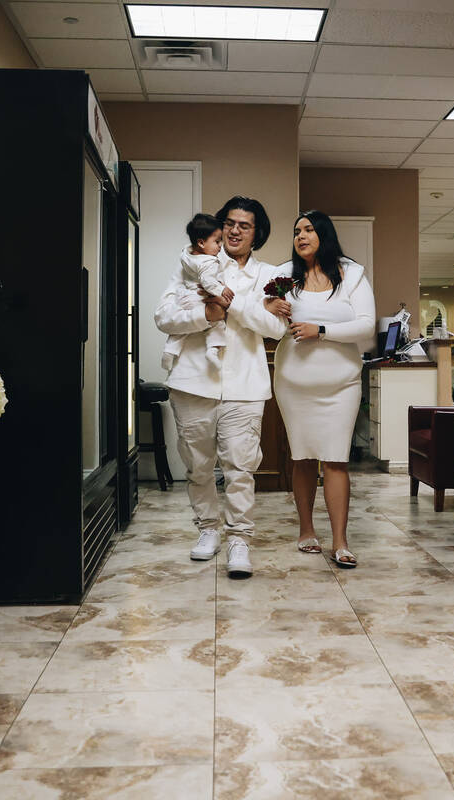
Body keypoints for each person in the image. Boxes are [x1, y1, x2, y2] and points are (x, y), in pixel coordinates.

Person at [154, 197, 288, 577]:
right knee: (197, 467)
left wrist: (231, 305)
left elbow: (276, 327)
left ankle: (239, 539)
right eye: (228, 223)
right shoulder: (193, 263)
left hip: (245, 386)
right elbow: (164, 316)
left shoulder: (269, 275)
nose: (233, 231)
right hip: (192, 382)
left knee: (240, 469)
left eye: (244, 225)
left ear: (256, 233)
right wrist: (207, 313)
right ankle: (208, 530)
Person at [265, 211, 376, 568]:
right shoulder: (283, 276)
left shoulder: (351, 274)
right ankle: (306, 530)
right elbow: (268, 327)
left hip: (341, 385)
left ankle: (341, 541)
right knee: (302, 456)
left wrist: (321, 330)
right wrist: (271, 309)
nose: (301, 236)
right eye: (296, 230)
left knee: (336, 458)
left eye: (309, 229)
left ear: (324, 234)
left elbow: (366, 326)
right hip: (294, 384)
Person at [160, 213, 236, 376]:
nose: (220, 246)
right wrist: (221, 290)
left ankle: (170, 351)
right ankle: (212, 350)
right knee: (217, 325)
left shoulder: (187, 255)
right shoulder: (209, 262)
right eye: (217, 241)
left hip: (184, 297)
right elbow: (208, 282)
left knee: (180, 331)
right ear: (201, 242)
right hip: (200, 299)